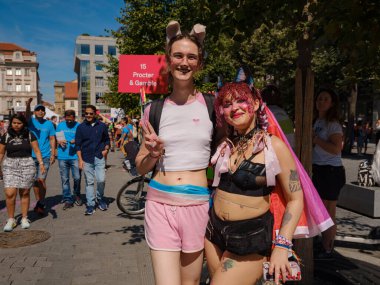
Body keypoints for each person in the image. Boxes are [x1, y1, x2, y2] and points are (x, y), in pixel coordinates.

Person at [136, 21, 213, 285]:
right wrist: (154, 154)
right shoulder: (153, 110)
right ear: (168, 61)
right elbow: (140, 167)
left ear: (199, 64)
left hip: (197, 206)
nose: (184, 62)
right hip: (159, 204)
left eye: (191, 57)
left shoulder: (212, 106)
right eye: (178, 55)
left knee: (190, 283)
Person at [204, 82, 304, 285]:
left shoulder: (274, 146)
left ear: (256, 103)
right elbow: (209, 181)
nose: (235, 108)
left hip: (250, 239)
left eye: (241, 100)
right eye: (227, 103)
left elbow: (296, 199)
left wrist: (282, 246)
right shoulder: (225, 146)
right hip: (213, 233)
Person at [312, 88, 346, 259]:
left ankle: (327, 248)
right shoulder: (316, 121)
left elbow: (335, 149)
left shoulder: (333, 124)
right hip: (318, 169)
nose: (321, 101)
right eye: (319, 98)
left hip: (331, 171)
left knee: (328, 210)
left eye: (325, 99)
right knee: (319, 209)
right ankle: (323, 242)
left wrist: (316, 140)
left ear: (332, 103)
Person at [0, 114, 45, 231]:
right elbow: (1, 153)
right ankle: (11, 219)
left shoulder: (30, 135)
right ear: (11, 123)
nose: (16, 125)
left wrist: (41, 164)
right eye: (14, 123)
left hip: (27, 165)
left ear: (23, 124)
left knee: (24, 192)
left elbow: (36, 150)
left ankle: (24, 217)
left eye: (19, 123)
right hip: (10, 165)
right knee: (10, 193)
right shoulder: (6, 136)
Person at [75, 105, 110, 215]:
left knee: (101, 180)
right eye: (86, 113)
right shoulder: (80, 127)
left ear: (95, 113)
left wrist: (106, 150)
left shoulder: (102, 126)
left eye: (91, 113)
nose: (88, 115)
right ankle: (90, 204)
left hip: (99, 157)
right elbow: (78, 145)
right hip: (86, 158)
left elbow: (107, 140)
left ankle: (100, 199)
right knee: (89, 182)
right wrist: (80, 160)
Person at [26, 99, 56, 215]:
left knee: (41, 179)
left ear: (44, 112)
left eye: (42, 110)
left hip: (45, 156)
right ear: (35, 112)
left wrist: (53, 153)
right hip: (31, 156)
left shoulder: (49, 124)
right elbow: (27, 114)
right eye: (38, 110)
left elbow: (52, 139)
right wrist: (28, 105)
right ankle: (39, 202)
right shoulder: (31, 122)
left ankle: (41, 202)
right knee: (35, 182)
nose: (40, 111)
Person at [56, 110, 82, 210]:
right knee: (65, 179)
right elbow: (57, 137)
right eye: (67, 119)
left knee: (77, 178)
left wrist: (76, 140)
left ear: (74, 118)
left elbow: (82, 139)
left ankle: (76, 194)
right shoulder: (60, 125)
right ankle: (67, 199)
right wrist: (60, 141)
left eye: (71, 119)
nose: (69, 121)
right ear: (65, 118)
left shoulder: (78, 126)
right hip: (62, 156)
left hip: (75, 156)